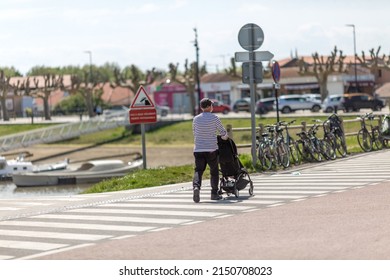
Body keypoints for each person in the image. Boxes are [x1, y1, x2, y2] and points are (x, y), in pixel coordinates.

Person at [192, 98, 228, 203]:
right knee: (214, 171)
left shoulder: (196, 119)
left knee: (198, 170)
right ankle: (214, 193)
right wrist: (224, 137)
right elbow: (223, 132)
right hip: (211, 149)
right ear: (208, 107)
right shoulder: (214, 118)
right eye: (211, 105)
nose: (212, 107)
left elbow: (195, 133)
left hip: (198, 149)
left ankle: (196, 187)